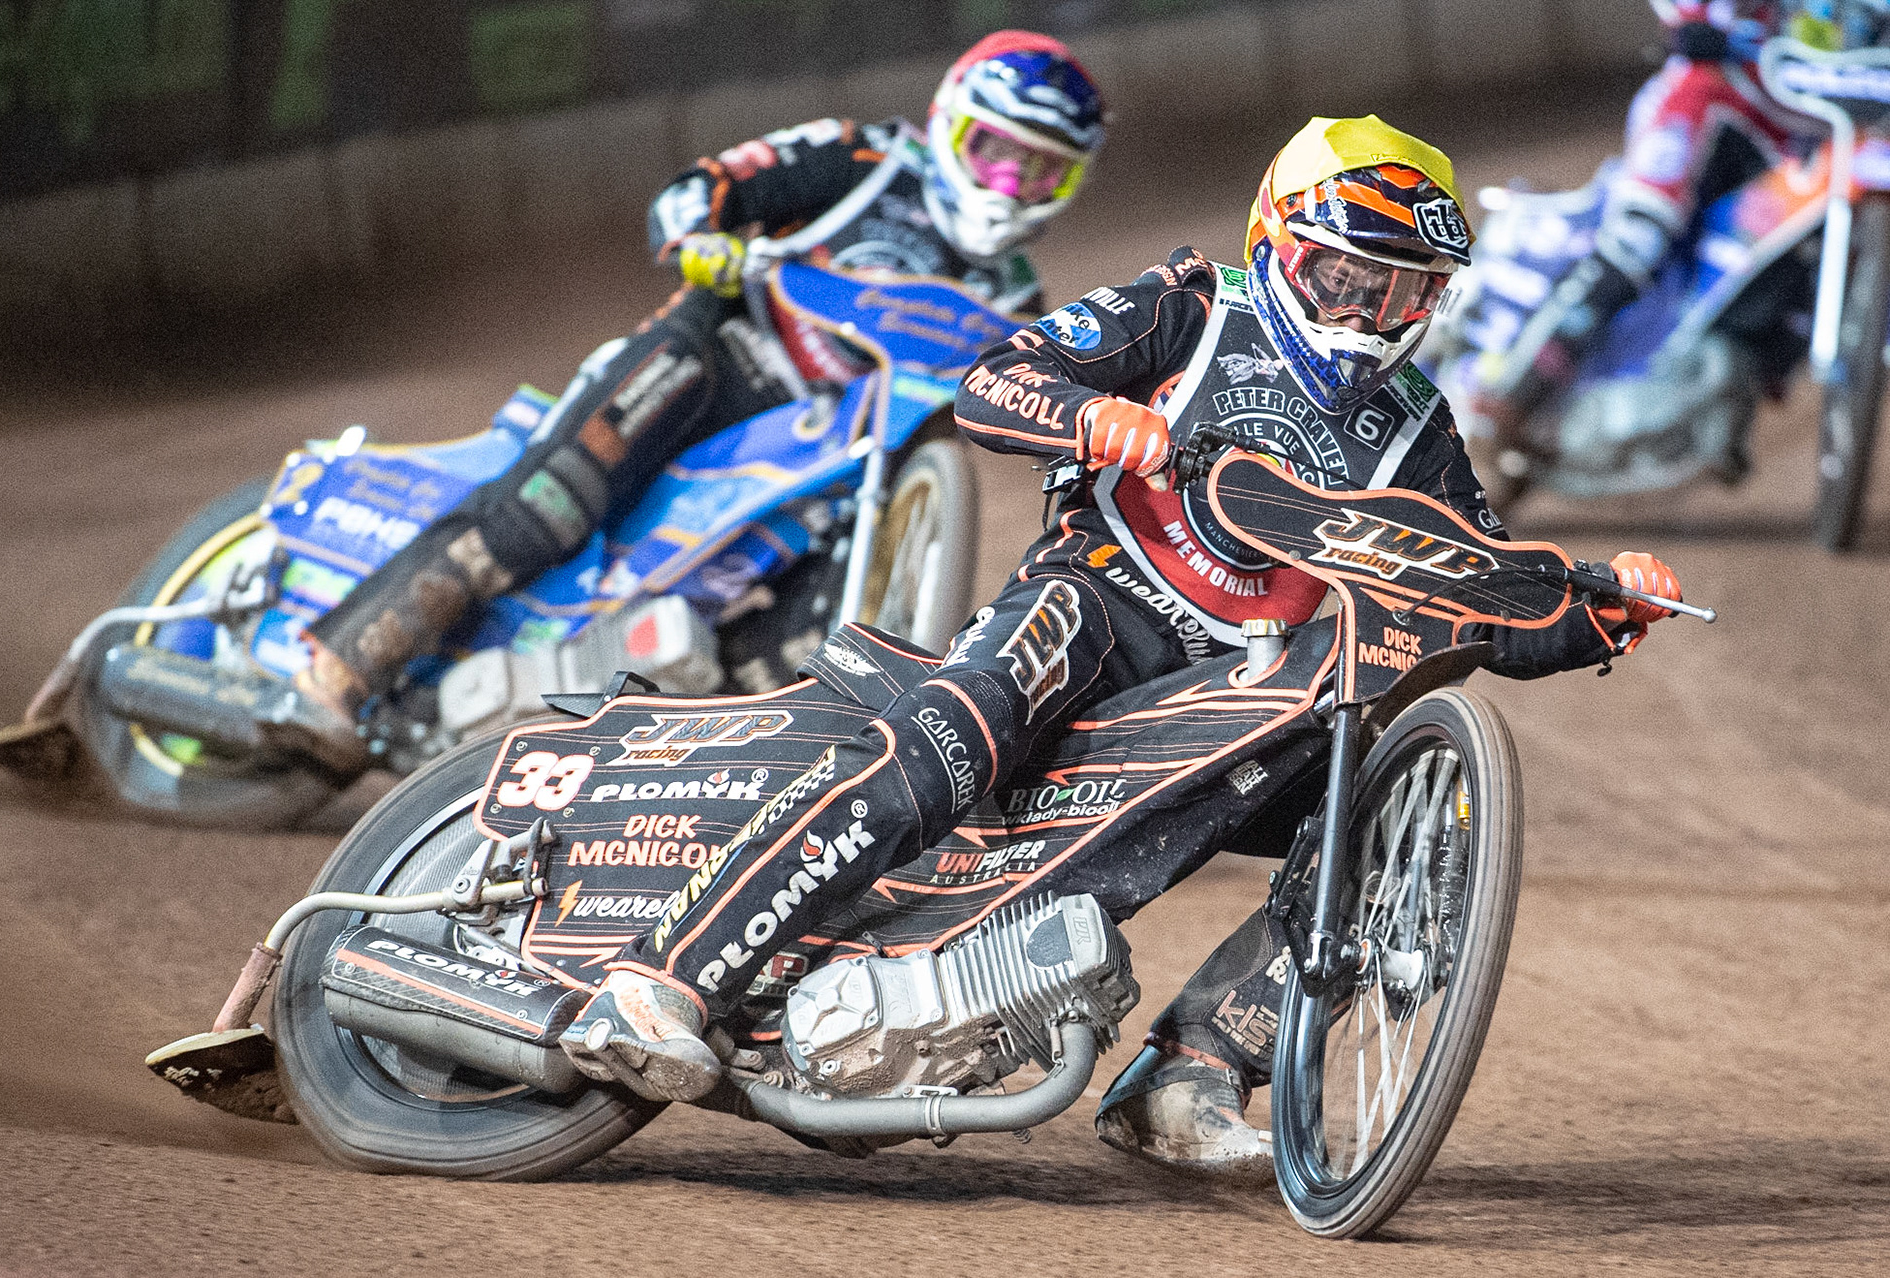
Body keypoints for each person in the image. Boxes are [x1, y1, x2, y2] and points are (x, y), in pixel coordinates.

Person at [557, 115, 1686, 1178]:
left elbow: (1482, 590)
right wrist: (1091, 416)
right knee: (952, 734)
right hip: (1094, 604)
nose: (1368, 315)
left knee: (1401, 834)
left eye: (1403, 293)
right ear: (1277, 242)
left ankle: (1189, 1073)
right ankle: (661, 980)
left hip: (1237, 688)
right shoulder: (1193, 308)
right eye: (1347, 276)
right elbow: (994, 380)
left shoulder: (1418, 429)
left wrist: (1601, 607)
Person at [278, 31, 1107, 768]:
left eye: (1042, 169)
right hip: (718, 356)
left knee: (765, 654)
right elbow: (710, 183)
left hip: (822, 462)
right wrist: (701, 239)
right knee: (550, 507)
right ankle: (337, 674)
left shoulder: (1016, 299)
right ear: (951, 123)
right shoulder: (863, 160)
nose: (1011, 183)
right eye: (998, 151)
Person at [1475, 1, 1811, 451]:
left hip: (1814, 131)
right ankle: (1523, 387)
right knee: (1640, 236)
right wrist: (1695, 23)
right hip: (1717, 93)